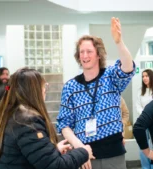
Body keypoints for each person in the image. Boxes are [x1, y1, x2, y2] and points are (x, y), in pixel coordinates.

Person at [57, 17, 135, 169]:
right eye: (82, 52)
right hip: (84, 156)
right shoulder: (70, 87)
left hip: (113, 153)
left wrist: (119, 42)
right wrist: (80, 148)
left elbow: (127, 68)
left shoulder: (110, 77)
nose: (85, 56)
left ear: (98, 54)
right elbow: (64, 125)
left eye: (89, 51)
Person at [0, 68, 94, 169]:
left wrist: (53, 151)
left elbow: (27, 154)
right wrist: (83, 152)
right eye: (44, 87)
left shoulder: (14, 115)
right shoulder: (27, 122)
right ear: (33, 91)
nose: (45, 91)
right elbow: (55, 166)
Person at [136, 69, 153, 169]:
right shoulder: (140, 90)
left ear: (151, 77)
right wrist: (145, 115)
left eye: (146, 76)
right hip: (144, 121)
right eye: (143, 76)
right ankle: (145, 167)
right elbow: (138, 106)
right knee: (143, 146)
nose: (144, 78)